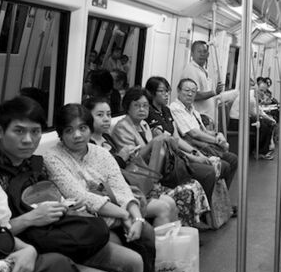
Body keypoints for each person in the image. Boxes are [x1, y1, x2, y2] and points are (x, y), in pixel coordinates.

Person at [0, 96, 126, 272]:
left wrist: (67, 207)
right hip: (25, 249)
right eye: (19, 131)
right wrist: (31, 219)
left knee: (130, 259)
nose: (28, 140)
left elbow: (50, 197)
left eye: (35, 132)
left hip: (53, 237)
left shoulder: (36, 165)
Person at [43, 103, 171, 272]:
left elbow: (120, 187)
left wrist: (137, 218)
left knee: (146, 232)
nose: (77, 135)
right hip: (89, 221)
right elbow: (82, 196)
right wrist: (125, 215)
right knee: (124, 248)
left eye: (82, 128)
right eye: (69, 130)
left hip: (116, 213)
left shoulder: (100, 153)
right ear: (60, 134)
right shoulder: (53, 157)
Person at [110, 88, 210, 227]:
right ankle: (182, 228)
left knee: (194, 183)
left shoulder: (144, 124)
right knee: (187, 189)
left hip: (154, 171)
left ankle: (190, 226)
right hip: (138, 177)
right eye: (137, 105)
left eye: (145, 106)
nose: (142, 109)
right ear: (127, 107)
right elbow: (132, 159)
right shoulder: (122, 128)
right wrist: (153, 143)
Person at [83, 97, 177, 227]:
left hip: (127, 185)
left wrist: (128, 156)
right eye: (100, 115)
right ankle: (157, 240)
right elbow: (100, 175)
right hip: (112, 194)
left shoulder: (107, 137)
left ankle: (172, 238)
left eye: (108, 114)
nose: (106, 119)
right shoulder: (88, 145)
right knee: (163, 207)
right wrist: (121, 158)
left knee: (170, 202)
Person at [145, 76, 225, 202]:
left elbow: (176, 138)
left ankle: (213, 206)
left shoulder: (166, 110)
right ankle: (206, 209)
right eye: (161, 91)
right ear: (151, 93)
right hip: (169, 160)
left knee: (220, 165)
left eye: (167, 91)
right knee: (209, 172)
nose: (166, 95)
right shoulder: (150, 114)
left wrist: (195, 152)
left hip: (180, 153)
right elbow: (168, 145)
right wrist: (194, 157)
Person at [170, 78, 238, 190]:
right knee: (227, 163)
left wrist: (218, 134)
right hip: (194, 147)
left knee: (233, 160)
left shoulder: (192, 109)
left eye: (193, 91)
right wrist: (216, 141)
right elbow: (194, 133)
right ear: (178, 91)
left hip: (203, 145)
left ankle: (221, 195)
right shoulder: (175, 108)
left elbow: (204, 131)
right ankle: (213, 196)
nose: (190, 94)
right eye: (187, 90)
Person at [181, 40, 224, 121]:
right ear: (192, 53)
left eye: (204, 51)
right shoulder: (191, 70)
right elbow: (193, 95)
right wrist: (214, 92)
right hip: (198, 118)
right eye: (199, 51)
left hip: (206, 118)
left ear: (208, 54)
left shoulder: (203, 70)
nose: (202, 54)